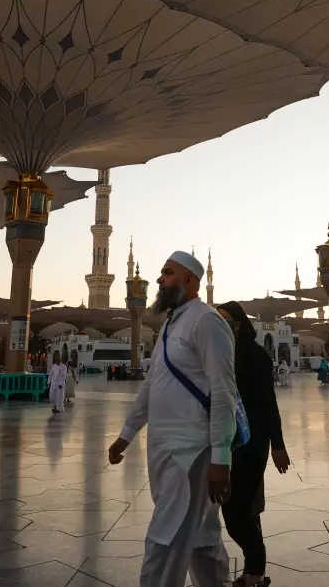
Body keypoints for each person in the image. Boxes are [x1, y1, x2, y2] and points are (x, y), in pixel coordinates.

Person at [108, 251, 236, 587]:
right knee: (202, 540)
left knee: (165, 540)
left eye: (167, 273)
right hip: (164, 449)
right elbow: (153, 384)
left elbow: (223, 391)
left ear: (190, 280)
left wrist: (221, 457)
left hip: (191, 452)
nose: (160, 279)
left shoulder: (206, 321)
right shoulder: (170, 325)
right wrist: (127, 432)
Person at [217, 302, 290, 587]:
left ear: (237, 324)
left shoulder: (254, 354)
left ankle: (256, 570)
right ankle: (253, 571)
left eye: (225, 321)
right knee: (242, 507)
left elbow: (268, 402)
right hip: (230, 439)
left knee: (237, 509)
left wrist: (278, 445)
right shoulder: (225, 353)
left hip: (253, 440)